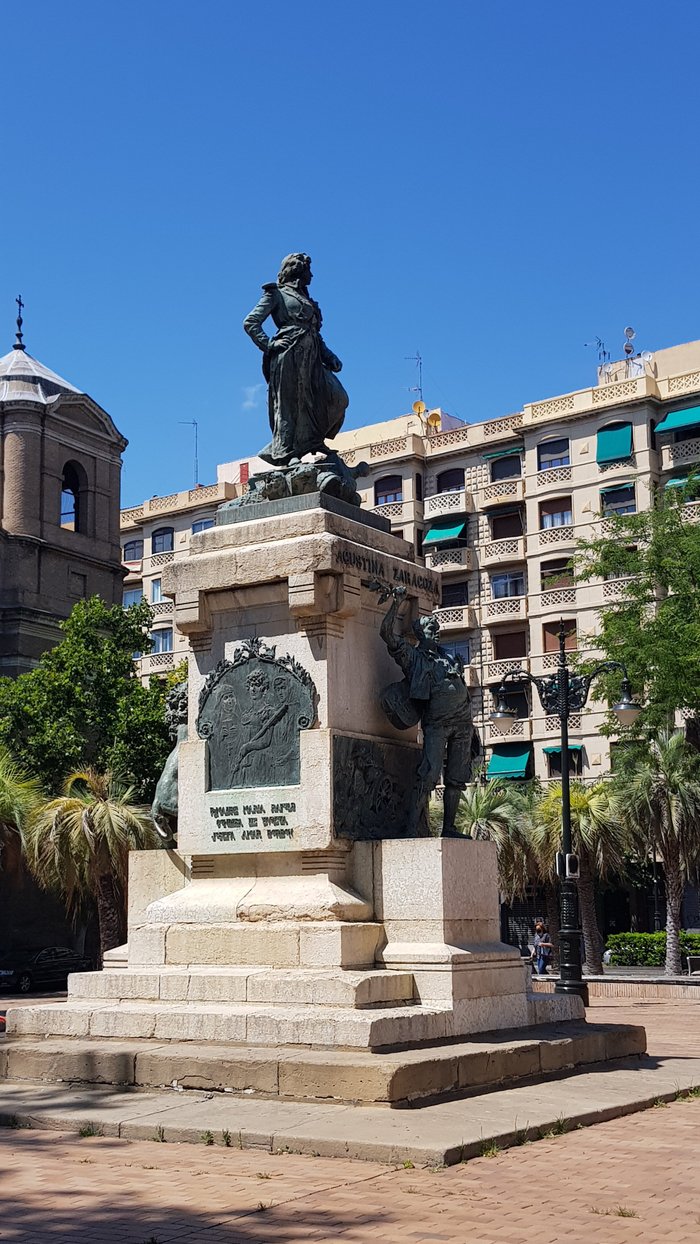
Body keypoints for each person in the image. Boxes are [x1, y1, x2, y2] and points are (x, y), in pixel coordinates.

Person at [378, 586, 476, 836]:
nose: (437, 632)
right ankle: (411, 827)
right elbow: (387, 634)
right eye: (432, 629)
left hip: (463, 724)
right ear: (420, 633)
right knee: (429, 774)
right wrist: (396, 604)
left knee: (456, 778)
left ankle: (449, 828)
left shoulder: (450, 658)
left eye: (438, 629)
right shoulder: (413, 657)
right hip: (437, 723)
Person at [243, 253, 349, 466]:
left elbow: (315, 334)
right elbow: (251, 322)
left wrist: (329, 356)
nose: (312, 274)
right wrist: (270, 345)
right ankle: (286, 453)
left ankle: (311, 440)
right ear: (298, 271)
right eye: (308, 270)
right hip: (288, 355)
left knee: (336, 397)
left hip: (312, 358)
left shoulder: (308, 300)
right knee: (288, 404)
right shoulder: (276, 294)